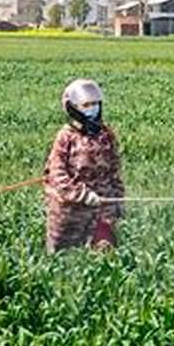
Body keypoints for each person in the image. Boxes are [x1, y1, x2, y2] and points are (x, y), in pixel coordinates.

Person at [43, 79, 125, 254]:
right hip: (71, 212)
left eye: (95, 104)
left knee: (104, 255)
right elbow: (57, 174)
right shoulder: (66, 136)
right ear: (73, 108)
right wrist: (82, 195)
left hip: (103, 208)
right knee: (65, 256)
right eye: (86, 105)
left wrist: (118, 201)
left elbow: (114, 172)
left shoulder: (106, 135)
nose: (92, 108)